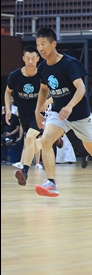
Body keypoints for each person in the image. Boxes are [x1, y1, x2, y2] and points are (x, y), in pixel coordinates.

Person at [30, 28, 92, 196]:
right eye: (38, 45)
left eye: (43, 44)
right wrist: (38, 110)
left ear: (53, 43)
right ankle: (51, 182)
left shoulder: (69, 63)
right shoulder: (43, 68)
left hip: (80, 115)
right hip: (59, 113)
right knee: (46, 140)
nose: (40, 48)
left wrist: (70, 106)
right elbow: (43, 89)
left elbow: (81, 88)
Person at [6, 45, 44, 184]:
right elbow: (8, 92)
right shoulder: (15, 75)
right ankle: (52, 139)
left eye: (33, 58)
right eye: (28, 58)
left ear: (38, 59)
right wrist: (8, 109)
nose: (30, 61)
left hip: (39, 113)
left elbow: (53, 93)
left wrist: (47, 102)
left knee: (29, 138)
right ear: (23, 58)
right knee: (32, 143)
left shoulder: (43, 75)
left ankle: (24, 171)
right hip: (24, 114)